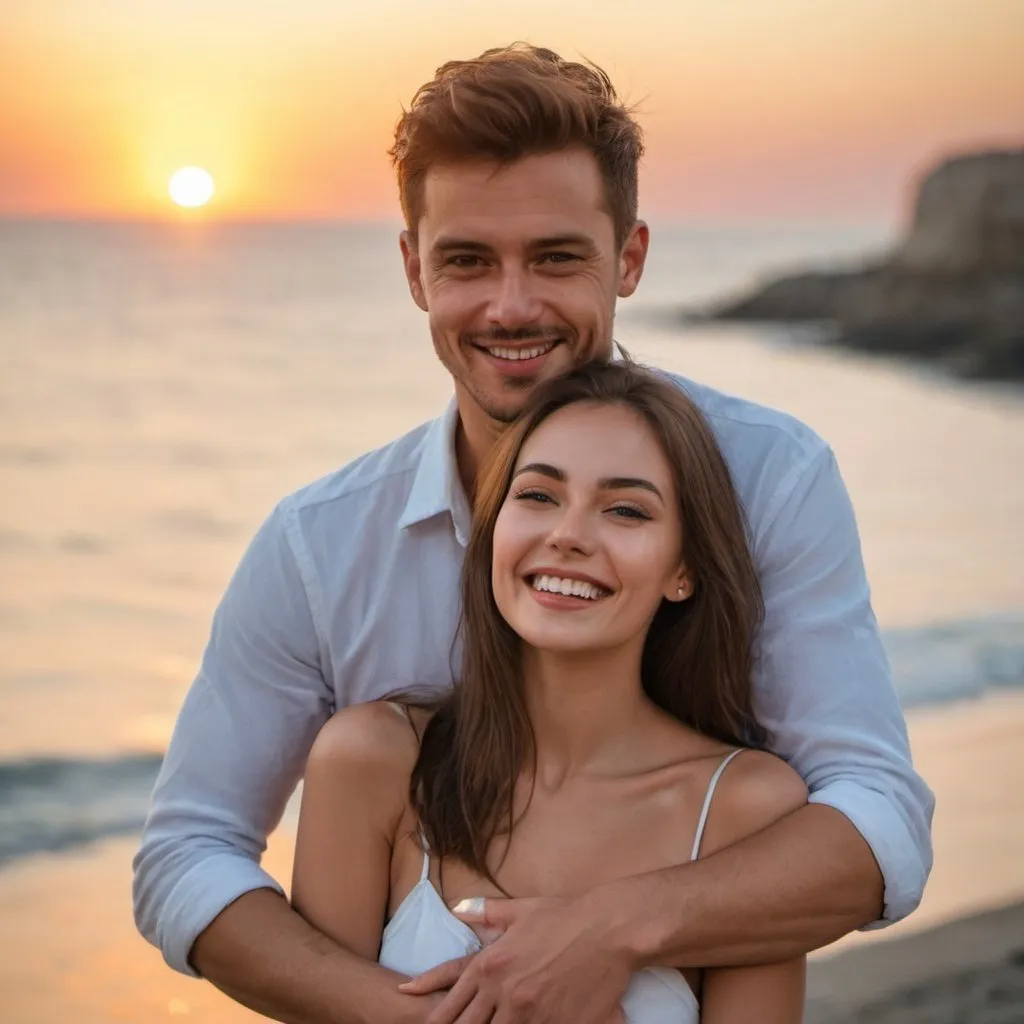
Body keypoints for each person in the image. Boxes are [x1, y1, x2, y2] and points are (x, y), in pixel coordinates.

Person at [132, 43, 934, 1024]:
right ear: (413, 270)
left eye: (556, 256)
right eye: (466, 259)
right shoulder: (322, 548)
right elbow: (185, 853)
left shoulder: (768, 477)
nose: (511, 307)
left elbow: (877, 820)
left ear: (628, 257)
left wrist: (611, 928)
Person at [292, 360, 809, 1024]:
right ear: (492, 529)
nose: (567, 535)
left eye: (625, 509)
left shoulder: (746, 809)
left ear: (682, 569)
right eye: (537, 496)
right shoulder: (372, 763)